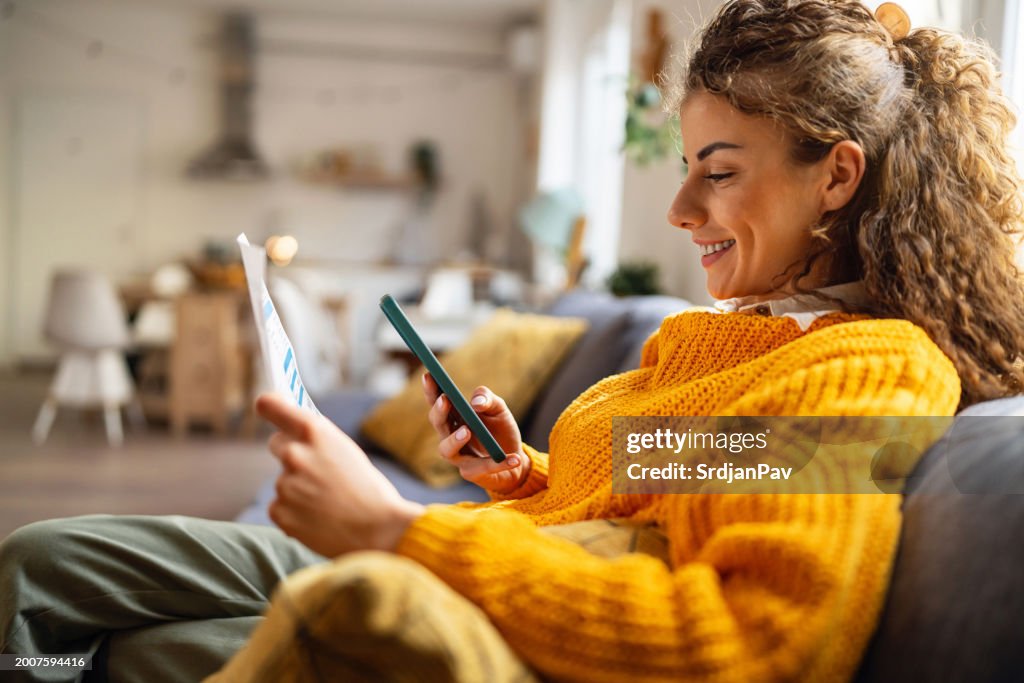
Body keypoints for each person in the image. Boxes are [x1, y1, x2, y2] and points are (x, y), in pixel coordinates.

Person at [3, 0, 1024, 681]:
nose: (677, 206)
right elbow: (659, 496)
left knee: (139, 649)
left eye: (717, 169)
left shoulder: (859, 371)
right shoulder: (738, 340)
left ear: (835, 178)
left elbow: (750, 643)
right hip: (477, 561)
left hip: (467, 598)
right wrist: (519, 470)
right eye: (684, 165)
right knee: (42, 561)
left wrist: (397, 530)